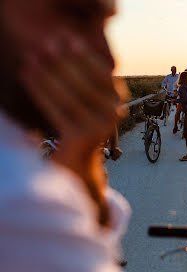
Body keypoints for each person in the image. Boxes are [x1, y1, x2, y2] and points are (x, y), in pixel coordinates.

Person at [0, 1, 131, 271]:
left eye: (104, 26)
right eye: (77, 14)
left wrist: (79, 160)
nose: (109, 58)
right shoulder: (25, 206)